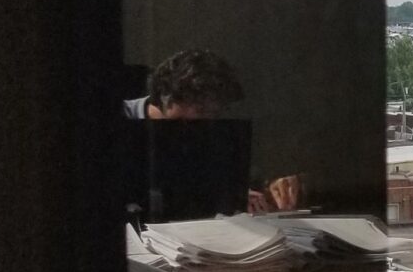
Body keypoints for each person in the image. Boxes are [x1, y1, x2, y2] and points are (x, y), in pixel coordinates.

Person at [124, 48, 300, 212]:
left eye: (215, 112)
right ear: (166, 95)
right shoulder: (117, 121)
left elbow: (235, 177)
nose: (208, 119)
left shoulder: (211, 130)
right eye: (200, 109)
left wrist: (261, 188)